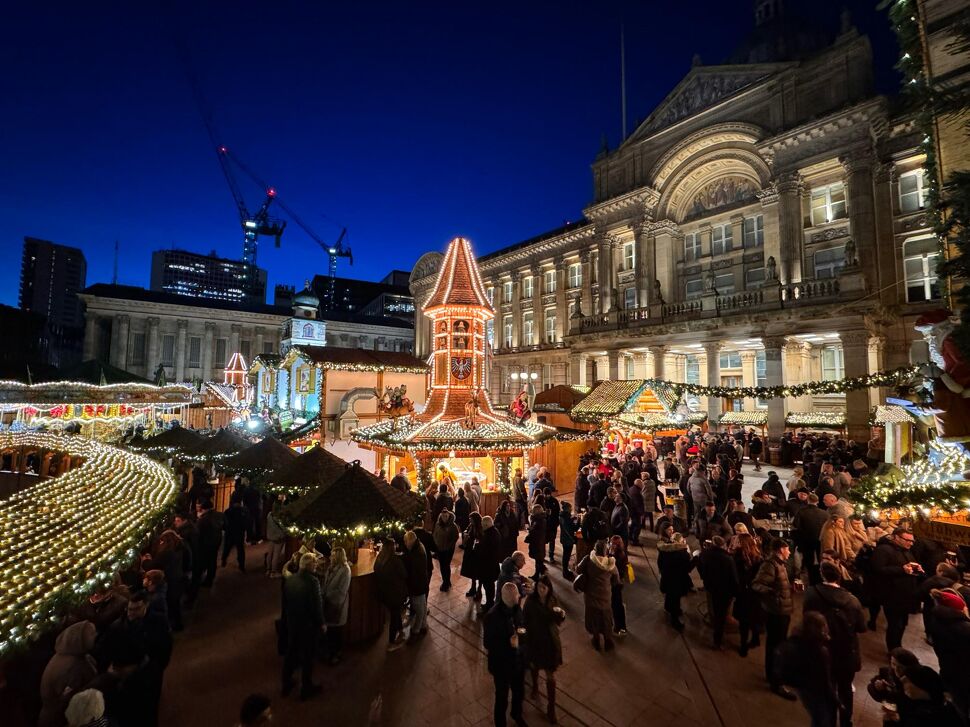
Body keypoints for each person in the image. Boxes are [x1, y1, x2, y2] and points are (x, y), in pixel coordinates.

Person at [804, 560, 867, 727]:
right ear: (839, 577)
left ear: (822, 575)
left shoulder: (811, 594)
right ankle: (846, 721)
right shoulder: (853, 601)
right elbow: (861, 627)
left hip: (822, 649)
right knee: (845, 689)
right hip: (846, 652)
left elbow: (807, 618)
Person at [752, 539, 797, 701]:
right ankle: (776, 681)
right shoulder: (770, 565)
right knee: (776, 646)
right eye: (787, 549)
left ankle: (774, 674)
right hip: (776, 612)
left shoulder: (780, 564)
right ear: (780, 550)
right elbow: (757, 584)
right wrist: (774, 592)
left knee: (778, 645)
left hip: (782, 610)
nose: (790, 552)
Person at [870, 527, 923, 650]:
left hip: (905, 595)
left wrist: (918, 570)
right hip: (891, 594)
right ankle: (893, 650)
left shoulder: (907, 551)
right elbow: (877, 569)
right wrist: (901, 569)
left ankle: (898, 646)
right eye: (907, 540)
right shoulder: (883, 550)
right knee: (895, 624)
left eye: (912, 541)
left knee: (903, 624)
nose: (910, 543)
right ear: (896, 537)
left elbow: (909, 566)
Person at [38, 621, 98, 727]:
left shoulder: (69, 654)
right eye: (92, 634)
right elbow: (73, 701)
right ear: (80, 639)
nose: (96, 635)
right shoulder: (72, 666)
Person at [483, 582, 527, 727]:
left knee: (518, 692)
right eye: (516, 594)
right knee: (501, 697)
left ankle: (517, 714)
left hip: (518, 662)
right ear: (508, 597)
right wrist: (508, 643)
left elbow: (521, 625)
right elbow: (488, 643)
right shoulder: (492, 617)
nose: (519, 596)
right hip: (501, 666)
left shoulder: (516, 609)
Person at [281, 553, 323, 700]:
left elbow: (285, 602)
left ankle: (286, 683)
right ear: (309, 565)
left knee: (291, 653)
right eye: (315, 564)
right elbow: (317, 606)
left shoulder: (290, 579)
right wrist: (321, 623)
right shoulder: (313, 582)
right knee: (308, 657)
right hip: (308, 625)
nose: (316, 566)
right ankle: (306, 687)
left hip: (293, 623)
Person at [523, 574, 565, 724]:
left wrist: (561, 615)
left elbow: (559, 619)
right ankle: (534, 686)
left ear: (549, 589)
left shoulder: (553, 600)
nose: (541, 590)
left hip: (550, 642)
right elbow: (525, 619)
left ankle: (551, 708)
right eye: (539, 587)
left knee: (550, 676)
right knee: (534, 667)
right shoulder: (530, 602)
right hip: (535, 641)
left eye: (544, 587)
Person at [786, 612, 838, 727]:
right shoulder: (821, 652)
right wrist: (835, 699)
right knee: (822, 719)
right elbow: (825, 681)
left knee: (816, 716)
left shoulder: (798, 640)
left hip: (803, 687)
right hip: (816, 691)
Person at [926, 588, 970, 719]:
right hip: (962, 676)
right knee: (961, 708)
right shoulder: (963, 629)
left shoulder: (940, 620)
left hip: (950, 671)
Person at [575, 539, 618, 651]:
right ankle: (608, 640)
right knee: (606, 618)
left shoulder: (588, 560)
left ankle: (596, 640)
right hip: (605, 596)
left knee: (593, 618)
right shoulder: (610, 563)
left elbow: (578, 569)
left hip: (591, 595)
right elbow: (616, 578)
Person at [697, 535, 739, 649]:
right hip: (724, 591)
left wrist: (704, 577)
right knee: (721, 616)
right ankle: (717, 641)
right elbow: (733, 577)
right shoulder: (728, 559)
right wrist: (736, 592)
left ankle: (715, 630)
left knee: (715, 610)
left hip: (710, 587)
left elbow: (699, 566)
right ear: (723, 545)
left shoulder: (705, 554)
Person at [733, 533, 764, 657]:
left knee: (744, 623)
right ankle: (755, 639)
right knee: (754, 619)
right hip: (756, 594)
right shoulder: (759, 557)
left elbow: (735, 576)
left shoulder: (737, 557)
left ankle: (743, 646)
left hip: (744, 594)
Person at [374, 538, 408, 651]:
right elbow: (404, 574)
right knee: (394, 616)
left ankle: (400, 630)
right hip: (395, 593)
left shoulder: (379, 558)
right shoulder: (395, 560)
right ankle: (391, 642)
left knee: (395, 612)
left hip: (384, 593)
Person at [657, 532, 694, 632]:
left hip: (667, 578)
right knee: (675, 600)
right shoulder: (683, 554)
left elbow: (659, 563)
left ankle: (667, 607)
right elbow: (687, 568)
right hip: (677, 581)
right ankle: (675, 621)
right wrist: (695, 559)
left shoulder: (664, 550)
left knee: (669, 595)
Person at [323, 547, 352, 665]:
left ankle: (336, 654)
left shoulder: (345, 570)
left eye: (333, 556)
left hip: (337, 605)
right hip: (329, 603)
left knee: (336, 631)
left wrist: (326, 595)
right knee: (331, 630)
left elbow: (342, 590)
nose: (330, 557)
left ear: (338, 557)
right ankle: (330, 652)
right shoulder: (331, 568)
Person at [403, 530, 430, 643]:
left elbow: (413, 572)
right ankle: (423, 625)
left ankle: (416, 630)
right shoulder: (419, 546)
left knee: (419, 609)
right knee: (422, 606)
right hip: (422, 583)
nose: (405, 544)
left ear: (410, 541)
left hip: (417, 585)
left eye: (405, 542)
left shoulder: (416, 553)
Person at [195, 499, 223, 588]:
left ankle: (199, 580)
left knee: (202, 562)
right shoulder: (219, 515)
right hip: (216, 541)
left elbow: (197, 532)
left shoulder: (203, 519)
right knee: (212, 561)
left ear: (204, 509)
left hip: (205, 544)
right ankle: (209, 580)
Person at [477, 516, 503, 612]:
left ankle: (489, 604)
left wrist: (478, 547)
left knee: (488, 587)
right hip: (493, 564)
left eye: (483, 525)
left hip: (488, 566)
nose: (482, 527)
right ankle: (489, 602)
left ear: (486, 525)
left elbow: (485, 551)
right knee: (489, 586)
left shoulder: (489, 535)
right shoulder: (495, 532)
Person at [222, 494, 251, 572]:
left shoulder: (228, 511)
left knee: (227, 548)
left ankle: (223, 560)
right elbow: (247, 522)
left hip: (230, 532)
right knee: (240, 549)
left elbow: (224, 522)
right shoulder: (243, 511)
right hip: (239, 532)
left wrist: (225, 529)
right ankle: (241, 565)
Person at [433, 509, 460, 592]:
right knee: (442, 565)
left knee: (446, 565)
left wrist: (450, 545)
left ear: (448, 516)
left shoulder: (452, 526)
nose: (444, 518)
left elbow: (456, 537)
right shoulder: (438, 524)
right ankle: (446, 581)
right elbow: (435, 534)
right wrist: (436, 544)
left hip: (448, 549)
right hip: (440, 548)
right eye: (443, 516)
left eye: (446, 516)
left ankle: (446, 583)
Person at [608, 535, 629, 635]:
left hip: (616, 583)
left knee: (617, 605)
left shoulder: (620, 555)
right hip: (614, 582)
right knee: (616, 604)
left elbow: (616, 569)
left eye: (615, 544)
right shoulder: (614, 553)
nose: (612, 546)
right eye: (612, 543)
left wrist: (611, 556)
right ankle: (619, 625)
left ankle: (620, 626)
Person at [462, 511, 484, 599]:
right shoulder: (471, 526)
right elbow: (466, 531)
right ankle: (473, 588)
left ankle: (479, 590)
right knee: (472, 572)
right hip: (470, 552)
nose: (470, 521)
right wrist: (465, 534)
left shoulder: (480, 528)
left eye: (471, 519)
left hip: (478, 553)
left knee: (479, 572)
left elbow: (481, 540)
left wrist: (474, 539)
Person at [527, 503, 547, 580]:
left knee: (538, 560)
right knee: (538, 560)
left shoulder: (538, 521)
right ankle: (539, 574)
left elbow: (535, 532)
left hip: (537, 543)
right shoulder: (541, 520)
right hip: (540, 543)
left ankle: (539, 576)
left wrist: (530, 530)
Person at [558, 502, 578, 580]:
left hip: (564, 538)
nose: (571, 509)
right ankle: (565, 571)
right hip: (568, 539)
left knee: (565, 555)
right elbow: (571, 528)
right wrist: (577, 523)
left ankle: (565, 570)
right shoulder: (566, 517)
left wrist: (572, 519)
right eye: (570, 508)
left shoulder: (562, 515)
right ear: (567, 509)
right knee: (566, 555)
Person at [544, 488, 560, 564]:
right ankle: (543, 555)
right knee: (543, 541)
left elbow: (558, 512)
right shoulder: (542, 501)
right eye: (546, 494)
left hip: (553, 524)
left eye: (548, 494)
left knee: (552, 540)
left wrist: (557, 523)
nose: (547, 496)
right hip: (545, 525)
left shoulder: (554, 501)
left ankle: (551, 556)